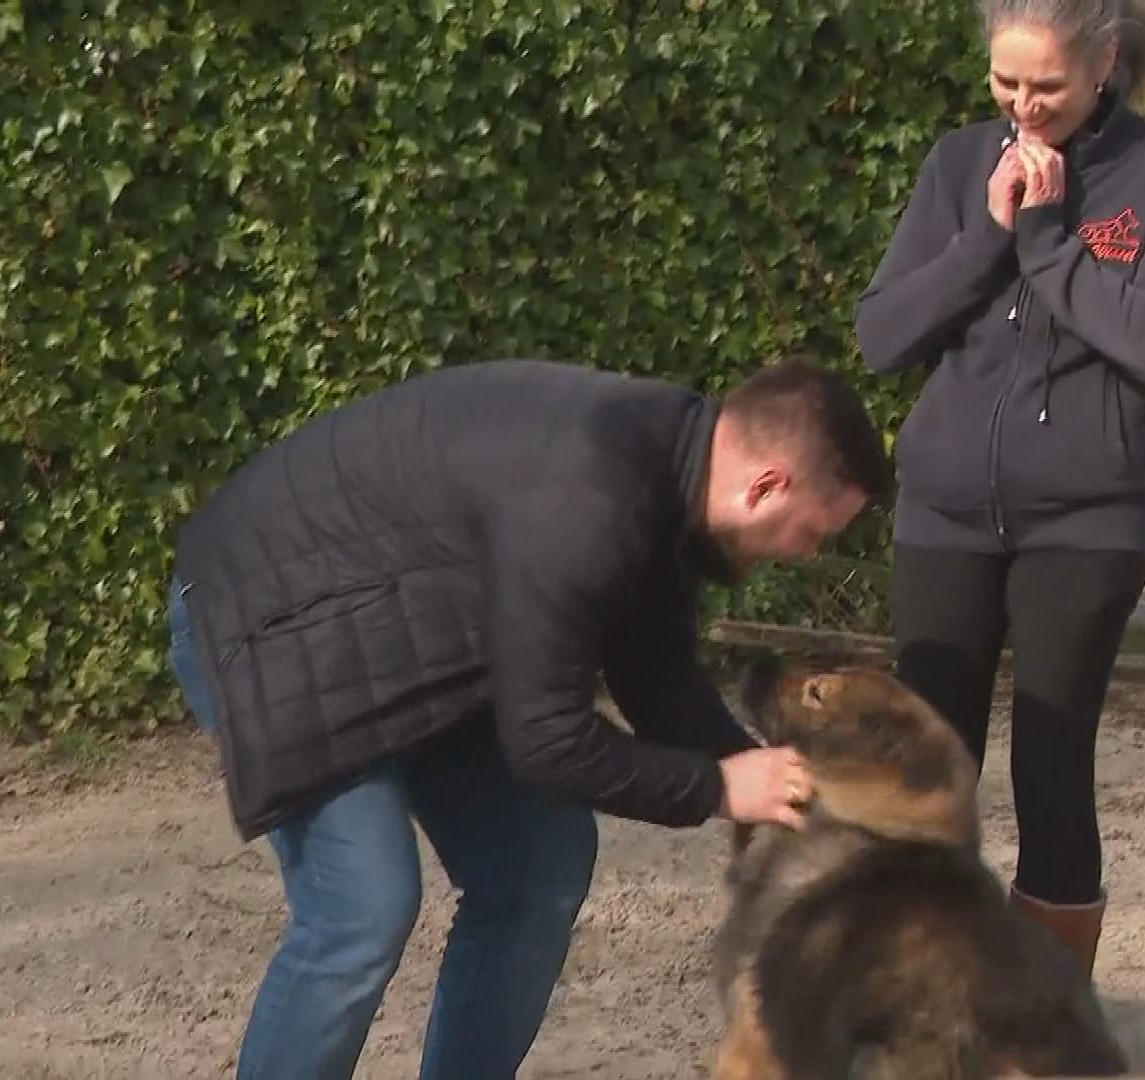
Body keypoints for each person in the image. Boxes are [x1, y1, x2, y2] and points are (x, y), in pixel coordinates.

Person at [164, 356, 890, 1080]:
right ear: (766, 487)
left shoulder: (669, 472)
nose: (806, 555)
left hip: (408, 640)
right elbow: (548, 743)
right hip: (271, 619)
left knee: (540, 869)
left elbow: (655, 673)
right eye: (812, 533)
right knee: (364, 908)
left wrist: (765, 778)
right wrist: (718, 787)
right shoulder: (588, 503)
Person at [852, 0, 1145, 975]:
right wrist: (988, 237)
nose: (1023, 105)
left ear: (1105, 62)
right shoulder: (958, 163)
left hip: (1086, 522)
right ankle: (926, 993)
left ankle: (1045, 1012)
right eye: (1006, 83)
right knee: (927, 772)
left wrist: (1050, 242)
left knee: (1051, 764)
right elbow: (883, 335)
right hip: (947, 514)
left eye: (1046, 86)